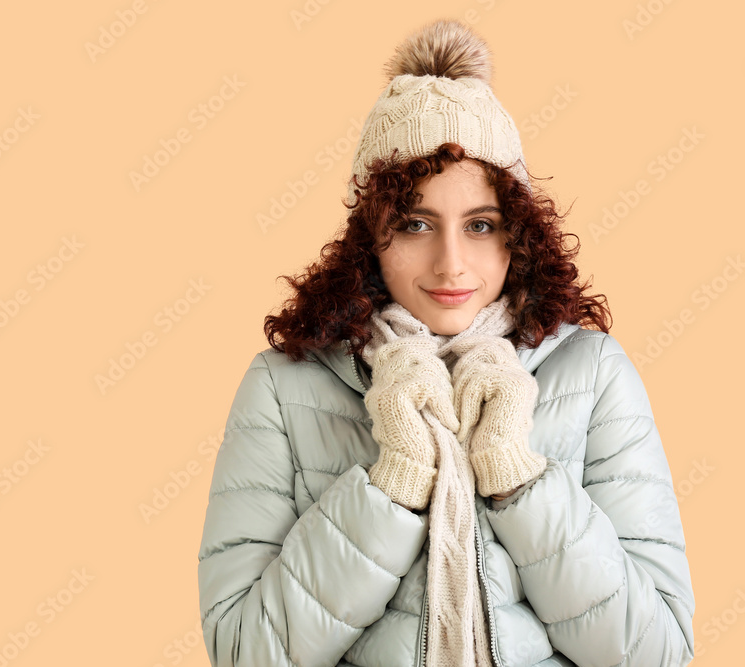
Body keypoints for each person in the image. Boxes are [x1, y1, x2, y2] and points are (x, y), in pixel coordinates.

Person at [197, 18, 694, 667]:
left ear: (520, 233)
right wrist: (391, 484)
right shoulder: (281, 386)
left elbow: (655, 650)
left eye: (481, 224)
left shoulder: (594, 373)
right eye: (415, 223)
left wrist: (520, 481)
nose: (451, 263)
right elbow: (245, 651)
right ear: (369, 237)